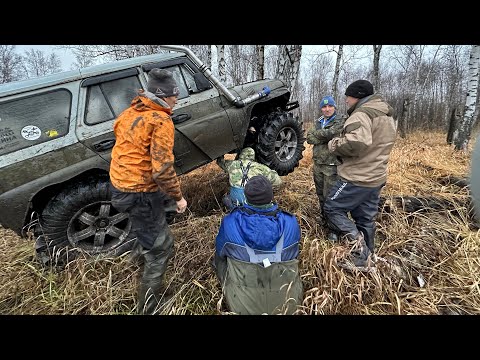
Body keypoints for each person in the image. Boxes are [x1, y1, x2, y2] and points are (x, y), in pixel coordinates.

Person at [109, 68, 188, 314]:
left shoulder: (128, 114)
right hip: (140, 191)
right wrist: (178, 197)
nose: (177, 100)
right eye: (175, 95)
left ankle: (137, 261)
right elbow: (163, 170)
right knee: (161, 247)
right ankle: (151, 307)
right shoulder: (160, 120)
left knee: (144, 226)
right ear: (164, 95)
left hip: (119, 186)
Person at [323, 80, 397, 271]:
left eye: (348, 96)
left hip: (357, 177)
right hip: (376, 176)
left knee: (331, 208)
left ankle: (359, 248)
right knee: (365, 218)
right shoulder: (385, 114)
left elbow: (357, 142)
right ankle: (367, 258)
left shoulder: (362, 113)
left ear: (356, 96)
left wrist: (334, 144)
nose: (346, 100)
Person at [214, 175, 303, 315]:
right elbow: (297, 252)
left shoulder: (230, 222)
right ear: (271, 196)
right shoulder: (290, 222)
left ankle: (231, 290)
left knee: (219, 258)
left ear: (246, 197)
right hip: (287, 305)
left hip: (241, 307)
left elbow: (220, 253)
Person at [306, 95, 346, 241]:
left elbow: (333, 133)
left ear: (334, 107)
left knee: (332, 197)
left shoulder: (340, 119)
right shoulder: (319, 122)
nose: (327, 109)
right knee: (321, 195)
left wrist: (319, 135)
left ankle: (335, 229)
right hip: (318, 164)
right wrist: (322, 136)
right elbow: (309, 137)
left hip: (332, 165)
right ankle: (325, 221)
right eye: (324, 107)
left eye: (330, 106)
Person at [217, 147, 282, 210]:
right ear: (252, 156)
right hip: (253, 198)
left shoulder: (232, 164)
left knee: (225, 198)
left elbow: (220, 162)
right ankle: (249, 210)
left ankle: (235, 209)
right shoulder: (260, 167)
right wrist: (269, 188)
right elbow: (278, 182)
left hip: (236, 199)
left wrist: (221, 153)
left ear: (241, 155)